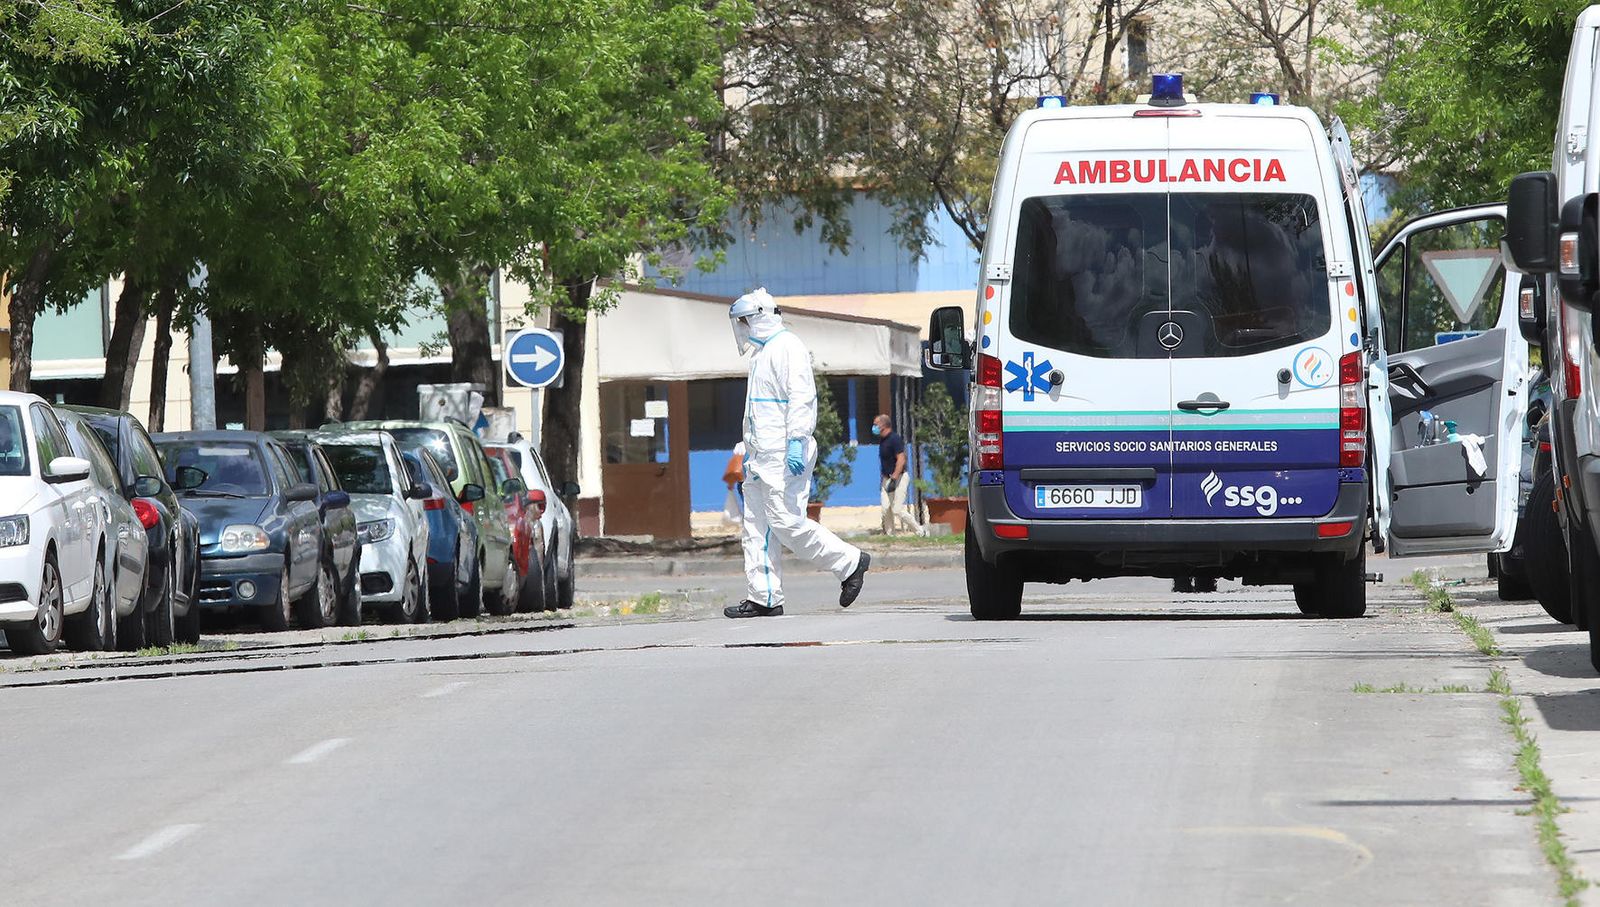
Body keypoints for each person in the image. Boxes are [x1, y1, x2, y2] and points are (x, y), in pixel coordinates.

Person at [725, 288, 870, 618]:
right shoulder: (761, 355)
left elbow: (802, 398)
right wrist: (744, 448)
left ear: (760, 317)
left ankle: (850, 562)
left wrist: (796, 441)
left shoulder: (787, 347)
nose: (743, 328)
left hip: (783, 454)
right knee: (756, 528)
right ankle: (764, 597)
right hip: (761, 456)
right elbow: (759, 413)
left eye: (745, 321)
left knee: (786, 522)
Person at [872, 414, 926, 536]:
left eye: (876, 424)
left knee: (897, 509)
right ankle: (890, 534)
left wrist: (895, 477)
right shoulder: (882, 441)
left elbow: (901, 459)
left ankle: (919, 531)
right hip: (886, 479)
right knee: (886, 509)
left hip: (899, 478)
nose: (874, 427)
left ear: (883, 425)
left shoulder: (894, 439)